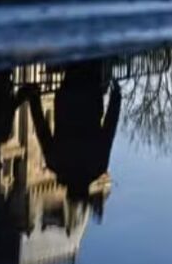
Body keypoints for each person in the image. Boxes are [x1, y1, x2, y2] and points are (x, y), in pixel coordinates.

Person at [24, 61, 121, 203]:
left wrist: (116, 98)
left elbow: (109, 128)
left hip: (90, 99)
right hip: (67, 101)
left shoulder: (98, 166)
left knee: (90, 60)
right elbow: (41, 128)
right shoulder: (56, 165)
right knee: (73, 66)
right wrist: (34, 99)